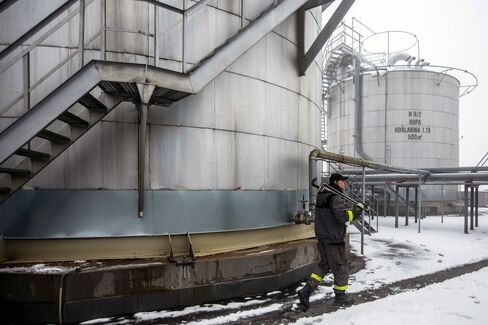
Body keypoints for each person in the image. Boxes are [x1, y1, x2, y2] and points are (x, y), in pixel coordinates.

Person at [297, 173, 365, 310]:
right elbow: (342, 217)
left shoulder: (322, 196)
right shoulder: (335, 198)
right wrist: (357, 211)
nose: (345, 184)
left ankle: (306, 291)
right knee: (341, 268)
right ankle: (340, 297)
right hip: (334, 239)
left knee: (323, 266)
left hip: (322, 237)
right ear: (335, 182)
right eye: (342, 181)